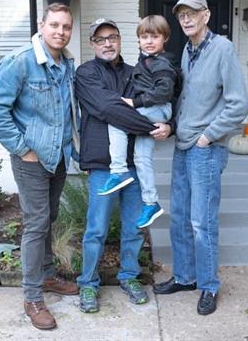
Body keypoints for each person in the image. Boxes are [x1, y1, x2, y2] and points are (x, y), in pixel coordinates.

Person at [151, 0, 248, 316]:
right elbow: (188, 99)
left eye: (192, 13)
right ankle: (185, 276)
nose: (186, 19)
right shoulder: (188, 52)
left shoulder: (222, 49)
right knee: (179, 217)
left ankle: (208, 286)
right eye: (181, 14)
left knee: (201, 222)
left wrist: (209, 136)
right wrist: (173, 125)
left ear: (206, 15)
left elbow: (239, 104)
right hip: (183, 144)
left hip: (205, 150)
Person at [0, 3, 80, 331]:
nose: (60, 32)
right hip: (32, 160)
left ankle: (48, 275)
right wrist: (22, 148)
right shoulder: (21, 61)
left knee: (48, 218)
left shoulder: (66, 61)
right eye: (54, 25)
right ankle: (32, 297)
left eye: (66, 27)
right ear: (42, 25)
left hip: (59, 157)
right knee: (36, 223)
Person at [75, 18, 159, 313]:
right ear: (92, 45)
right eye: (100, 39)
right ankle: (87, 283)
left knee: (135, 227)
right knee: (96, 228)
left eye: (112, 37)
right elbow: (108, 108)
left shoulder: (137, 72)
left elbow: (157, 101)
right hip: (102, 166)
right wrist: (152, 127)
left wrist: (169, 123)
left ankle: (129, 276)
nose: (107, 43)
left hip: (134, 163)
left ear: (121, 40)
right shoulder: (85, 73)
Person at [97, 15, 181, 229]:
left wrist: (135, 102)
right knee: (142, 158)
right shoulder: (147, 60)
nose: (149, 41)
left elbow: (164, 91)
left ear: (165, 39)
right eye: (145, 37)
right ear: (138, 39)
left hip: (158, 108)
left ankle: (118, 170)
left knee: (117, 118)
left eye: (155, 36)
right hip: (154, 109)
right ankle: (151, 202)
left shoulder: (161, 62)